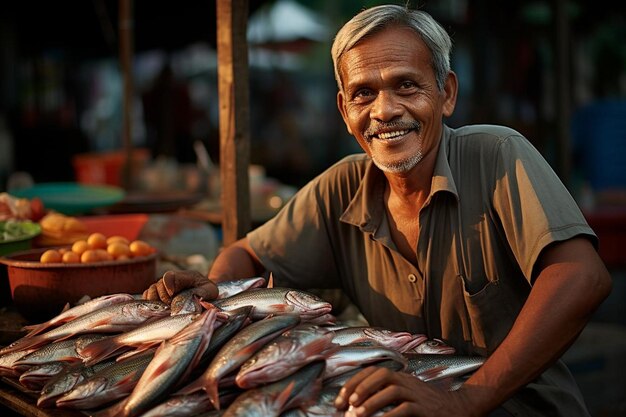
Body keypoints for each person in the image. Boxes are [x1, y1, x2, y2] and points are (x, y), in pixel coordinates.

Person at [144, 4, 612, 416]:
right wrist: (220, 291)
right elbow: (247, 255)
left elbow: (581, 278)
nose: (384, 110)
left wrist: (466, 401)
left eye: (406, 85)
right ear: (345, 110)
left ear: (446, 93)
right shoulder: (341, 187)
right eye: (363, 94)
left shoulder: (496, 155)